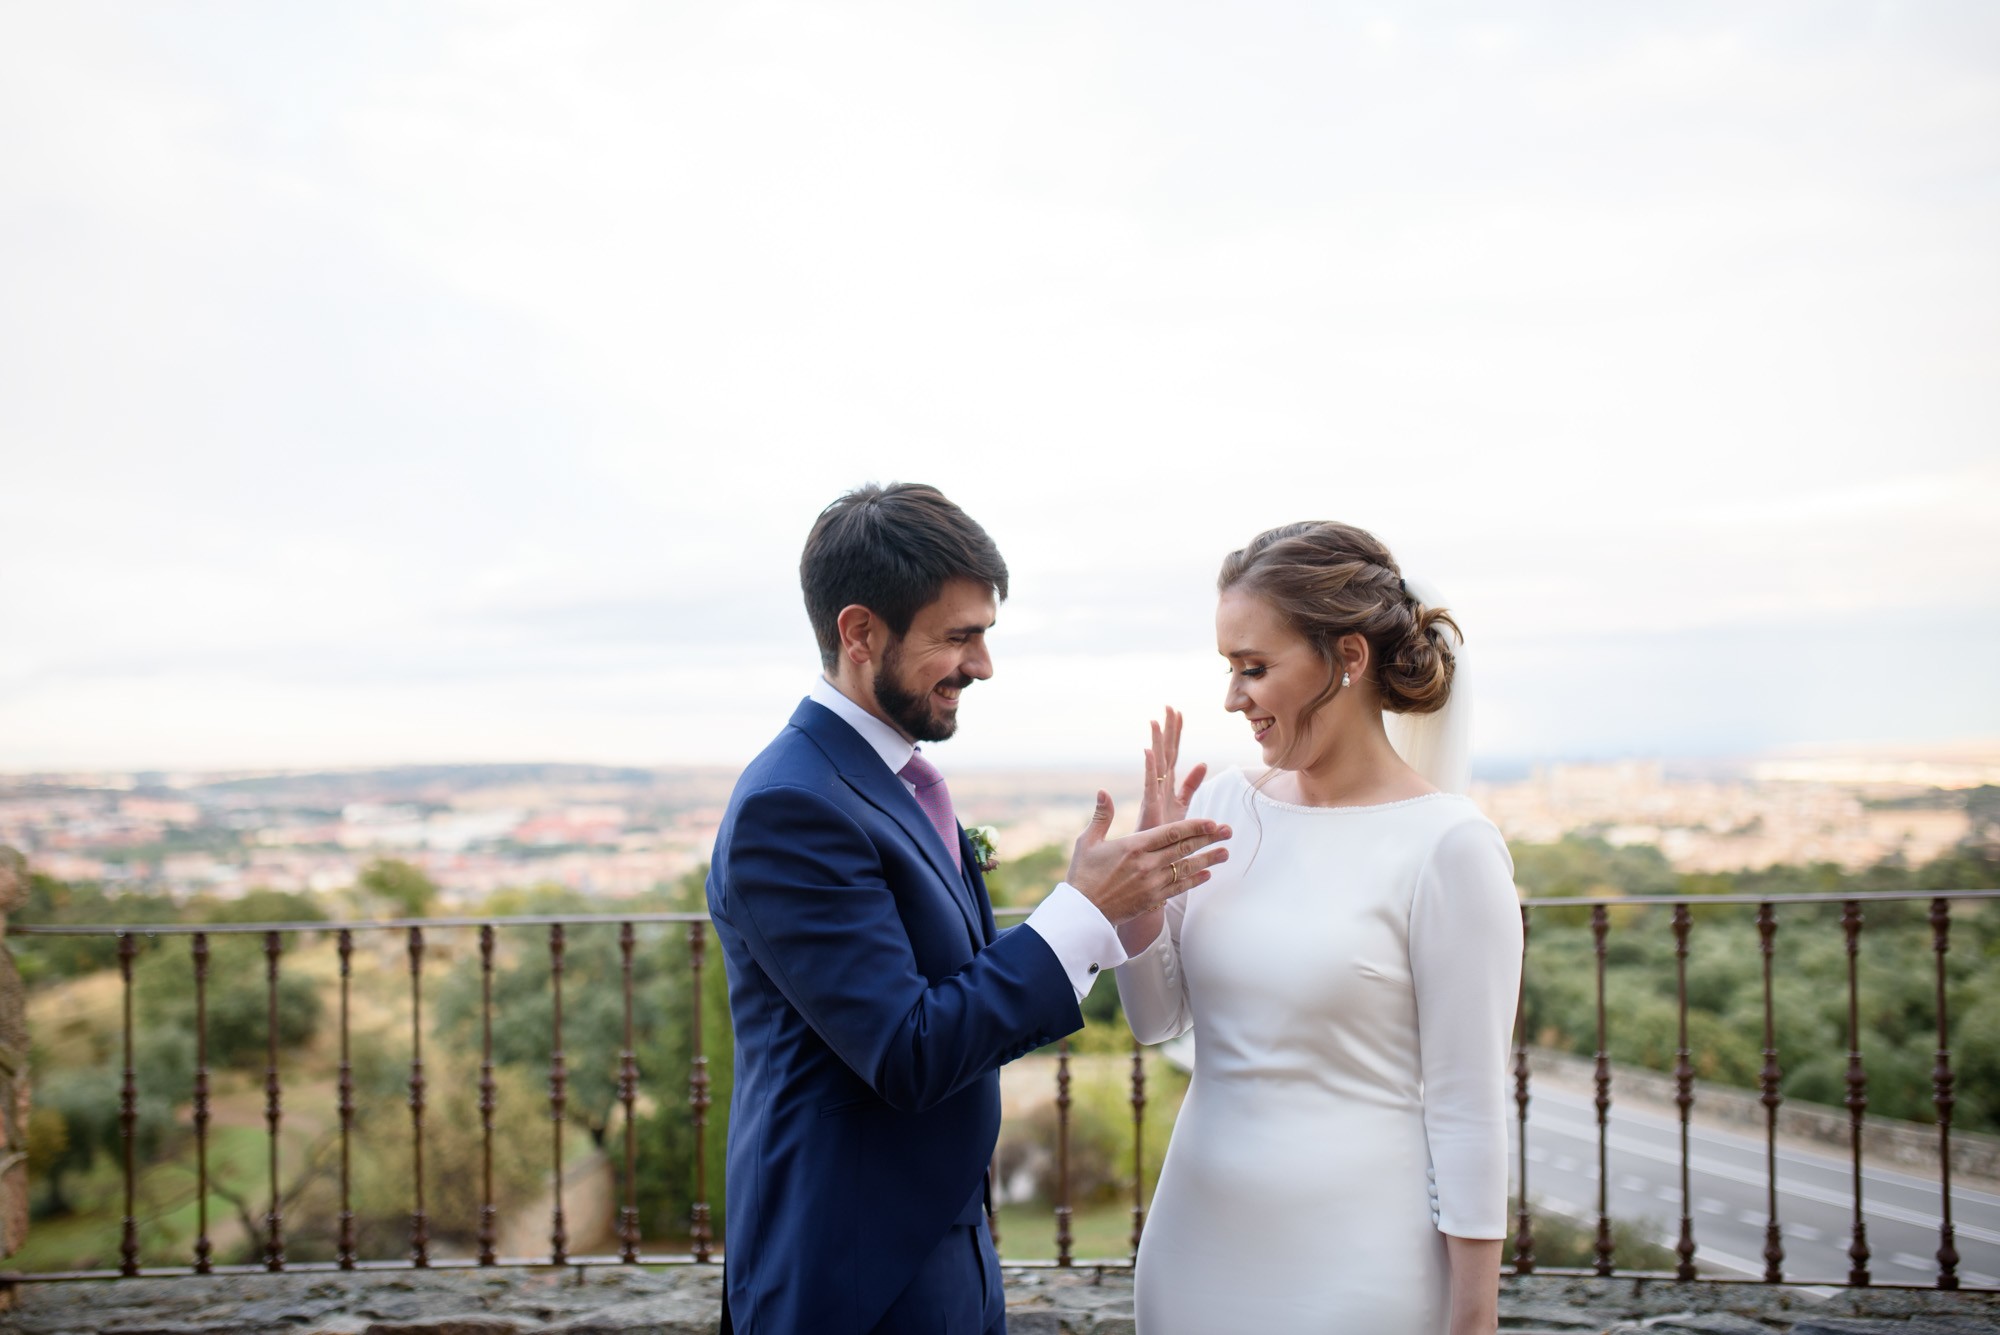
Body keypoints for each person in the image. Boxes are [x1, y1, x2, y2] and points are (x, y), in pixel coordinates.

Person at [706, 482, 1232, 1335]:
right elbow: (909, 1048)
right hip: (850, 1275)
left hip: (943, 1247)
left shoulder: (888, 782)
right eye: (958, 636)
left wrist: (1118, 905)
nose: (982, 665)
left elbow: (960, 993)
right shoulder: (792, 807)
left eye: (984, 634)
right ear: (859, 633)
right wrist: (1075, 909)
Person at [1115, 521, 1522, 1335]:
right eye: (1229, 669)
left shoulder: (1450, 846)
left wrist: (1474, 1320)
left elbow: (1469, 1106)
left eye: (1254, 667)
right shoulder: (1224, 806)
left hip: (1361, 1264)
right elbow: (1156, 1018)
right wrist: (1139, 893)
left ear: (1348, 658)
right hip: (1196, 1245)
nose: (1233, 698)